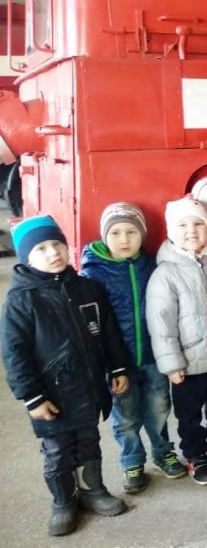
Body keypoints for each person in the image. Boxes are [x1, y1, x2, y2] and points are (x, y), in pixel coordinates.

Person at [2, 215, 129, 536]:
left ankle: (93, 490)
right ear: (26, 257)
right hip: (51, 396)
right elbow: (14, 355)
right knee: (57, 452)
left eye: (56, 243)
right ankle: (63, 501)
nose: (53, 253)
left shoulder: (87, 288)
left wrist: (117, 367)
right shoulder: (20, 301)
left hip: (87, 388)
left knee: (89, 443)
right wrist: (32, 397)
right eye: (41, 248)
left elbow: (109, 333)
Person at [80, 203, 186, 494]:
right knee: (125, 416)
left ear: (142, 235)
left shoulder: (151, 266)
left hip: (153, 356)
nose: (124, 239)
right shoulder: (92, 274)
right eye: (115, 232)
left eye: (131, 232)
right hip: (118, 363)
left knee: (159, 409)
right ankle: (132, 460)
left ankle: (163, 452)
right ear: (104, 236)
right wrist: (106, 363)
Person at [147, 196, 207, 486]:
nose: (191, 230)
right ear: (171, 231)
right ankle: (196, 455)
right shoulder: (165, 273)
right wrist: (172, 363)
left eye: (198, 223)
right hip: (187, 362)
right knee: (188, 415)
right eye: (183, 225)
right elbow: (160, 323)